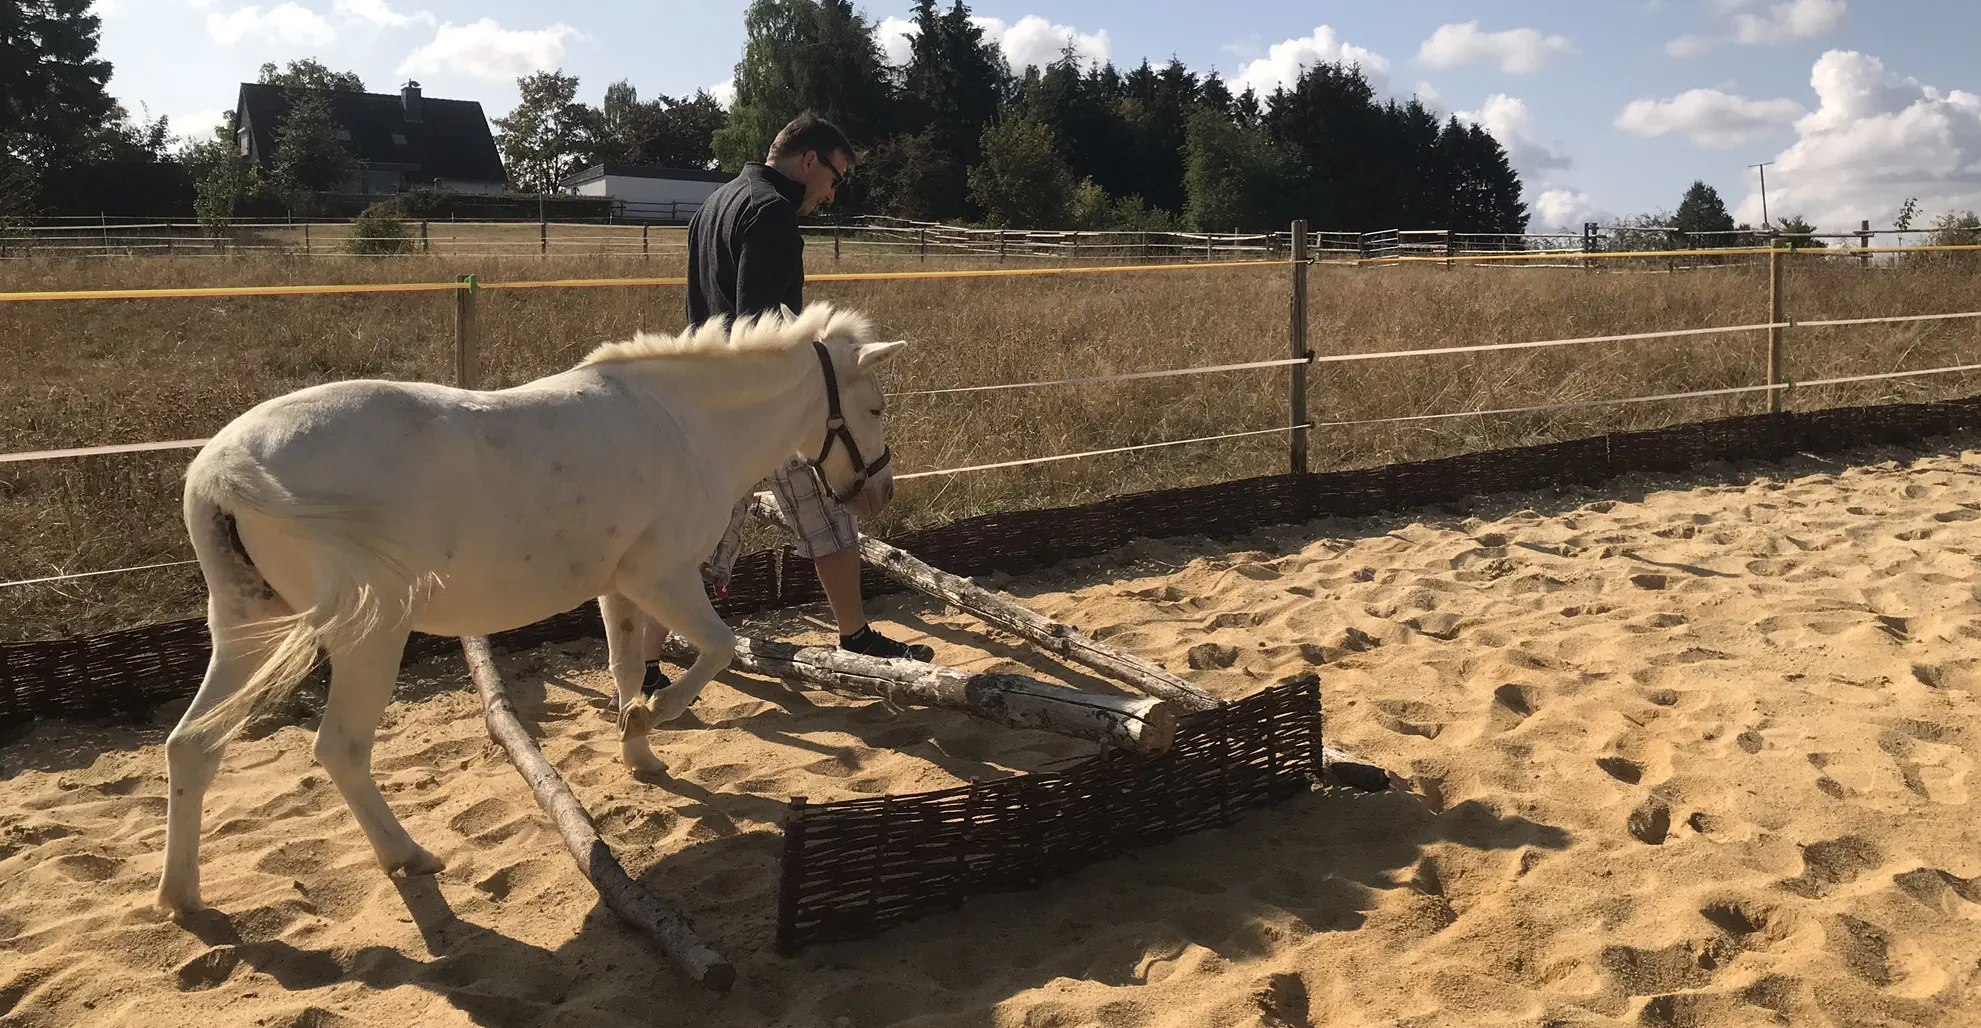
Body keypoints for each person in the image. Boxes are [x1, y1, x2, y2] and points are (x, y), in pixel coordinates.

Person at [641, 111, 933, 695]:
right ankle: (854, 636)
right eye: (834, 177)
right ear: (808, 161)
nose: (830, 193)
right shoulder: (773, 213)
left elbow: (708, 313)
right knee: (829, 516)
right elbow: (758, 326)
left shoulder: (714, 204)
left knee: (688, 538)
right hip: (766, 405)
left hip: (707, 402)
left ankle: (646, 666)